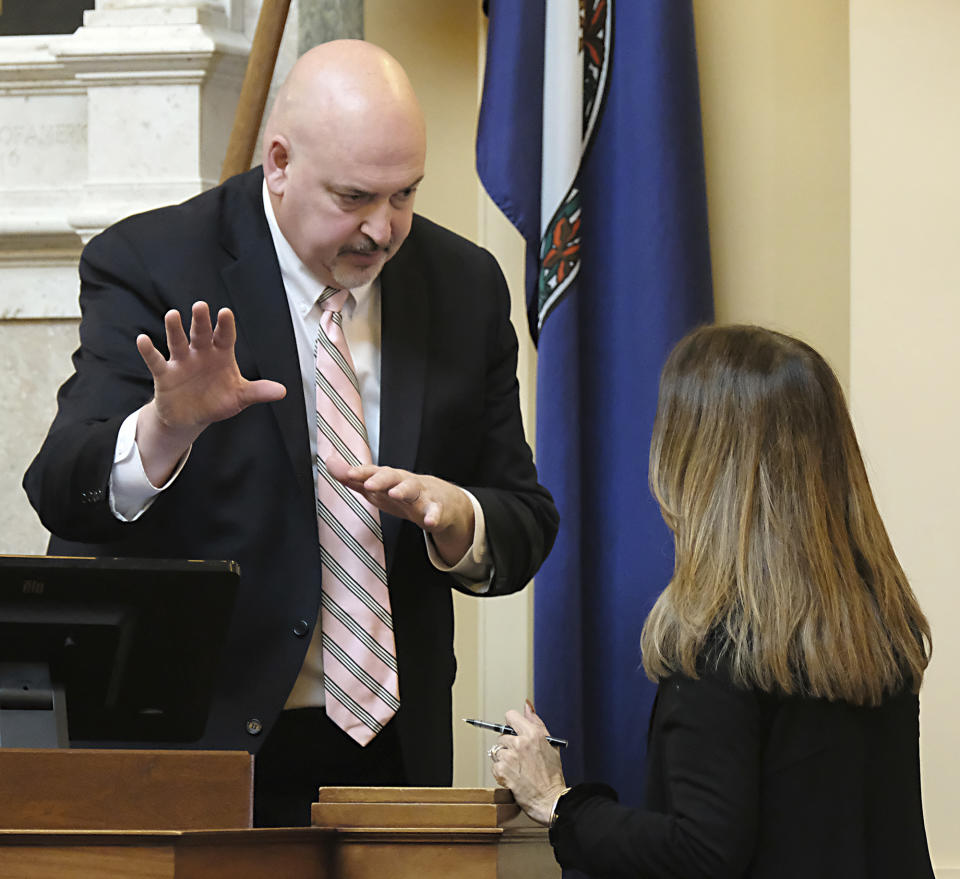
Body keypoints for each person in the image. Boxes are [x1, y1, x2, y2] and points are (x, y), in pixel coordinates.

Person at [23, 40, 557, 826]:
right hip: (202, 744)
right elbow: (63, 490)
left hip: (389, 753)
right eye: (355, 197)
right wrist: (166, 428)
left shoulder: (463, 284)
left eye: (405, 194)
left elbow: (525, 515)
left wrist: (460, 520)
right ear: (278, 162)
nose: (384, 229)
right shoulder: (154, 263)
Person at [490, 325, 934, 878]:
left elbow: (701, 854)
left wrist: (557, 801)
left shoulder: (726, 648)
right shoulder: (881, 625)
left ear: (697, 463)